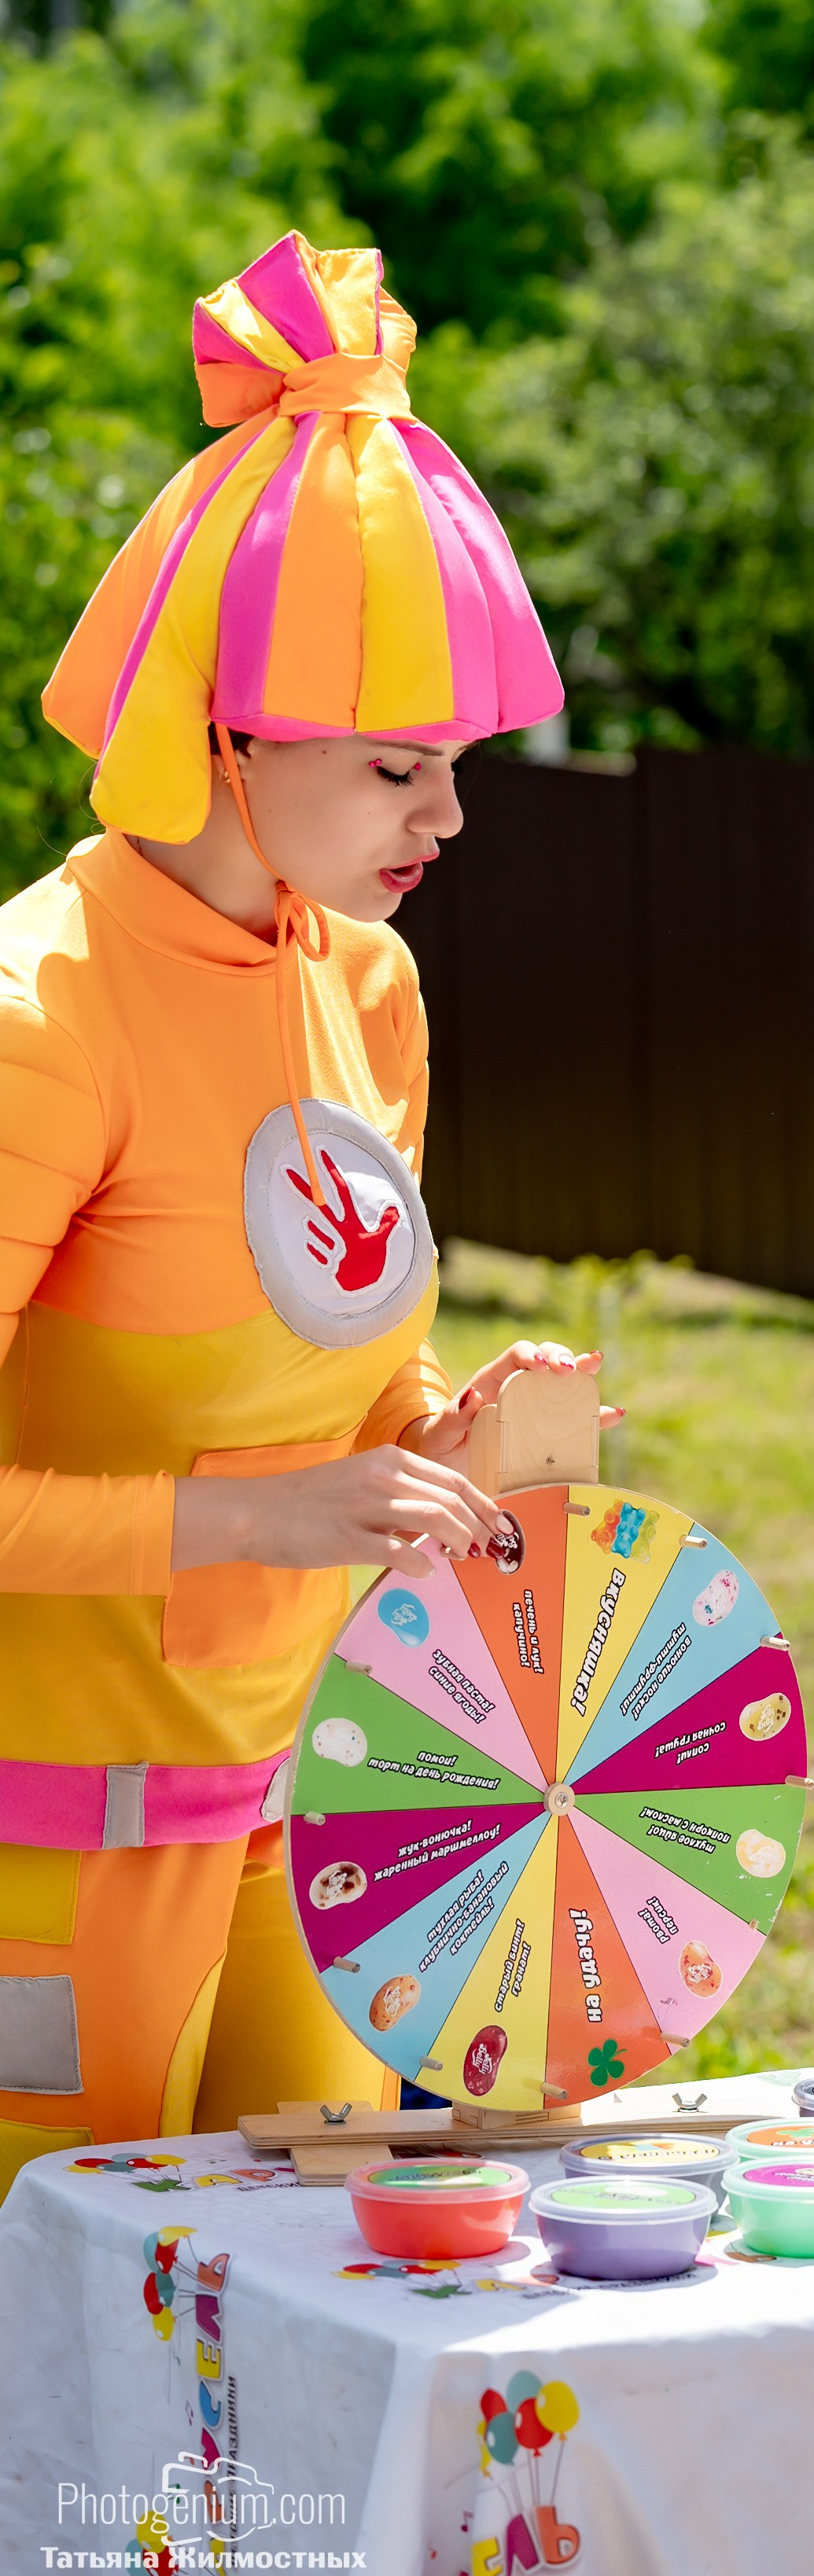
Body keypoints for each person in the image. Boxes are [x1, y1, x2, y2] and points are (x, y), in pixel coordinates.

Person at [0, 231, 610, 2197]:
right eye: (403, 768)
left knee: (313, 2313)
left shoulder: (367, 982)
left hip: (296, 1815)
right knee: (57, 2370)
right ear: (225, 740)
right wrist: (256, 1519)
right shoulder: (44, 1017)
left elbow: (343, 1388)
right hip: (47, 1858)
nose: (448, 822)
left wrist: (445, 1446)